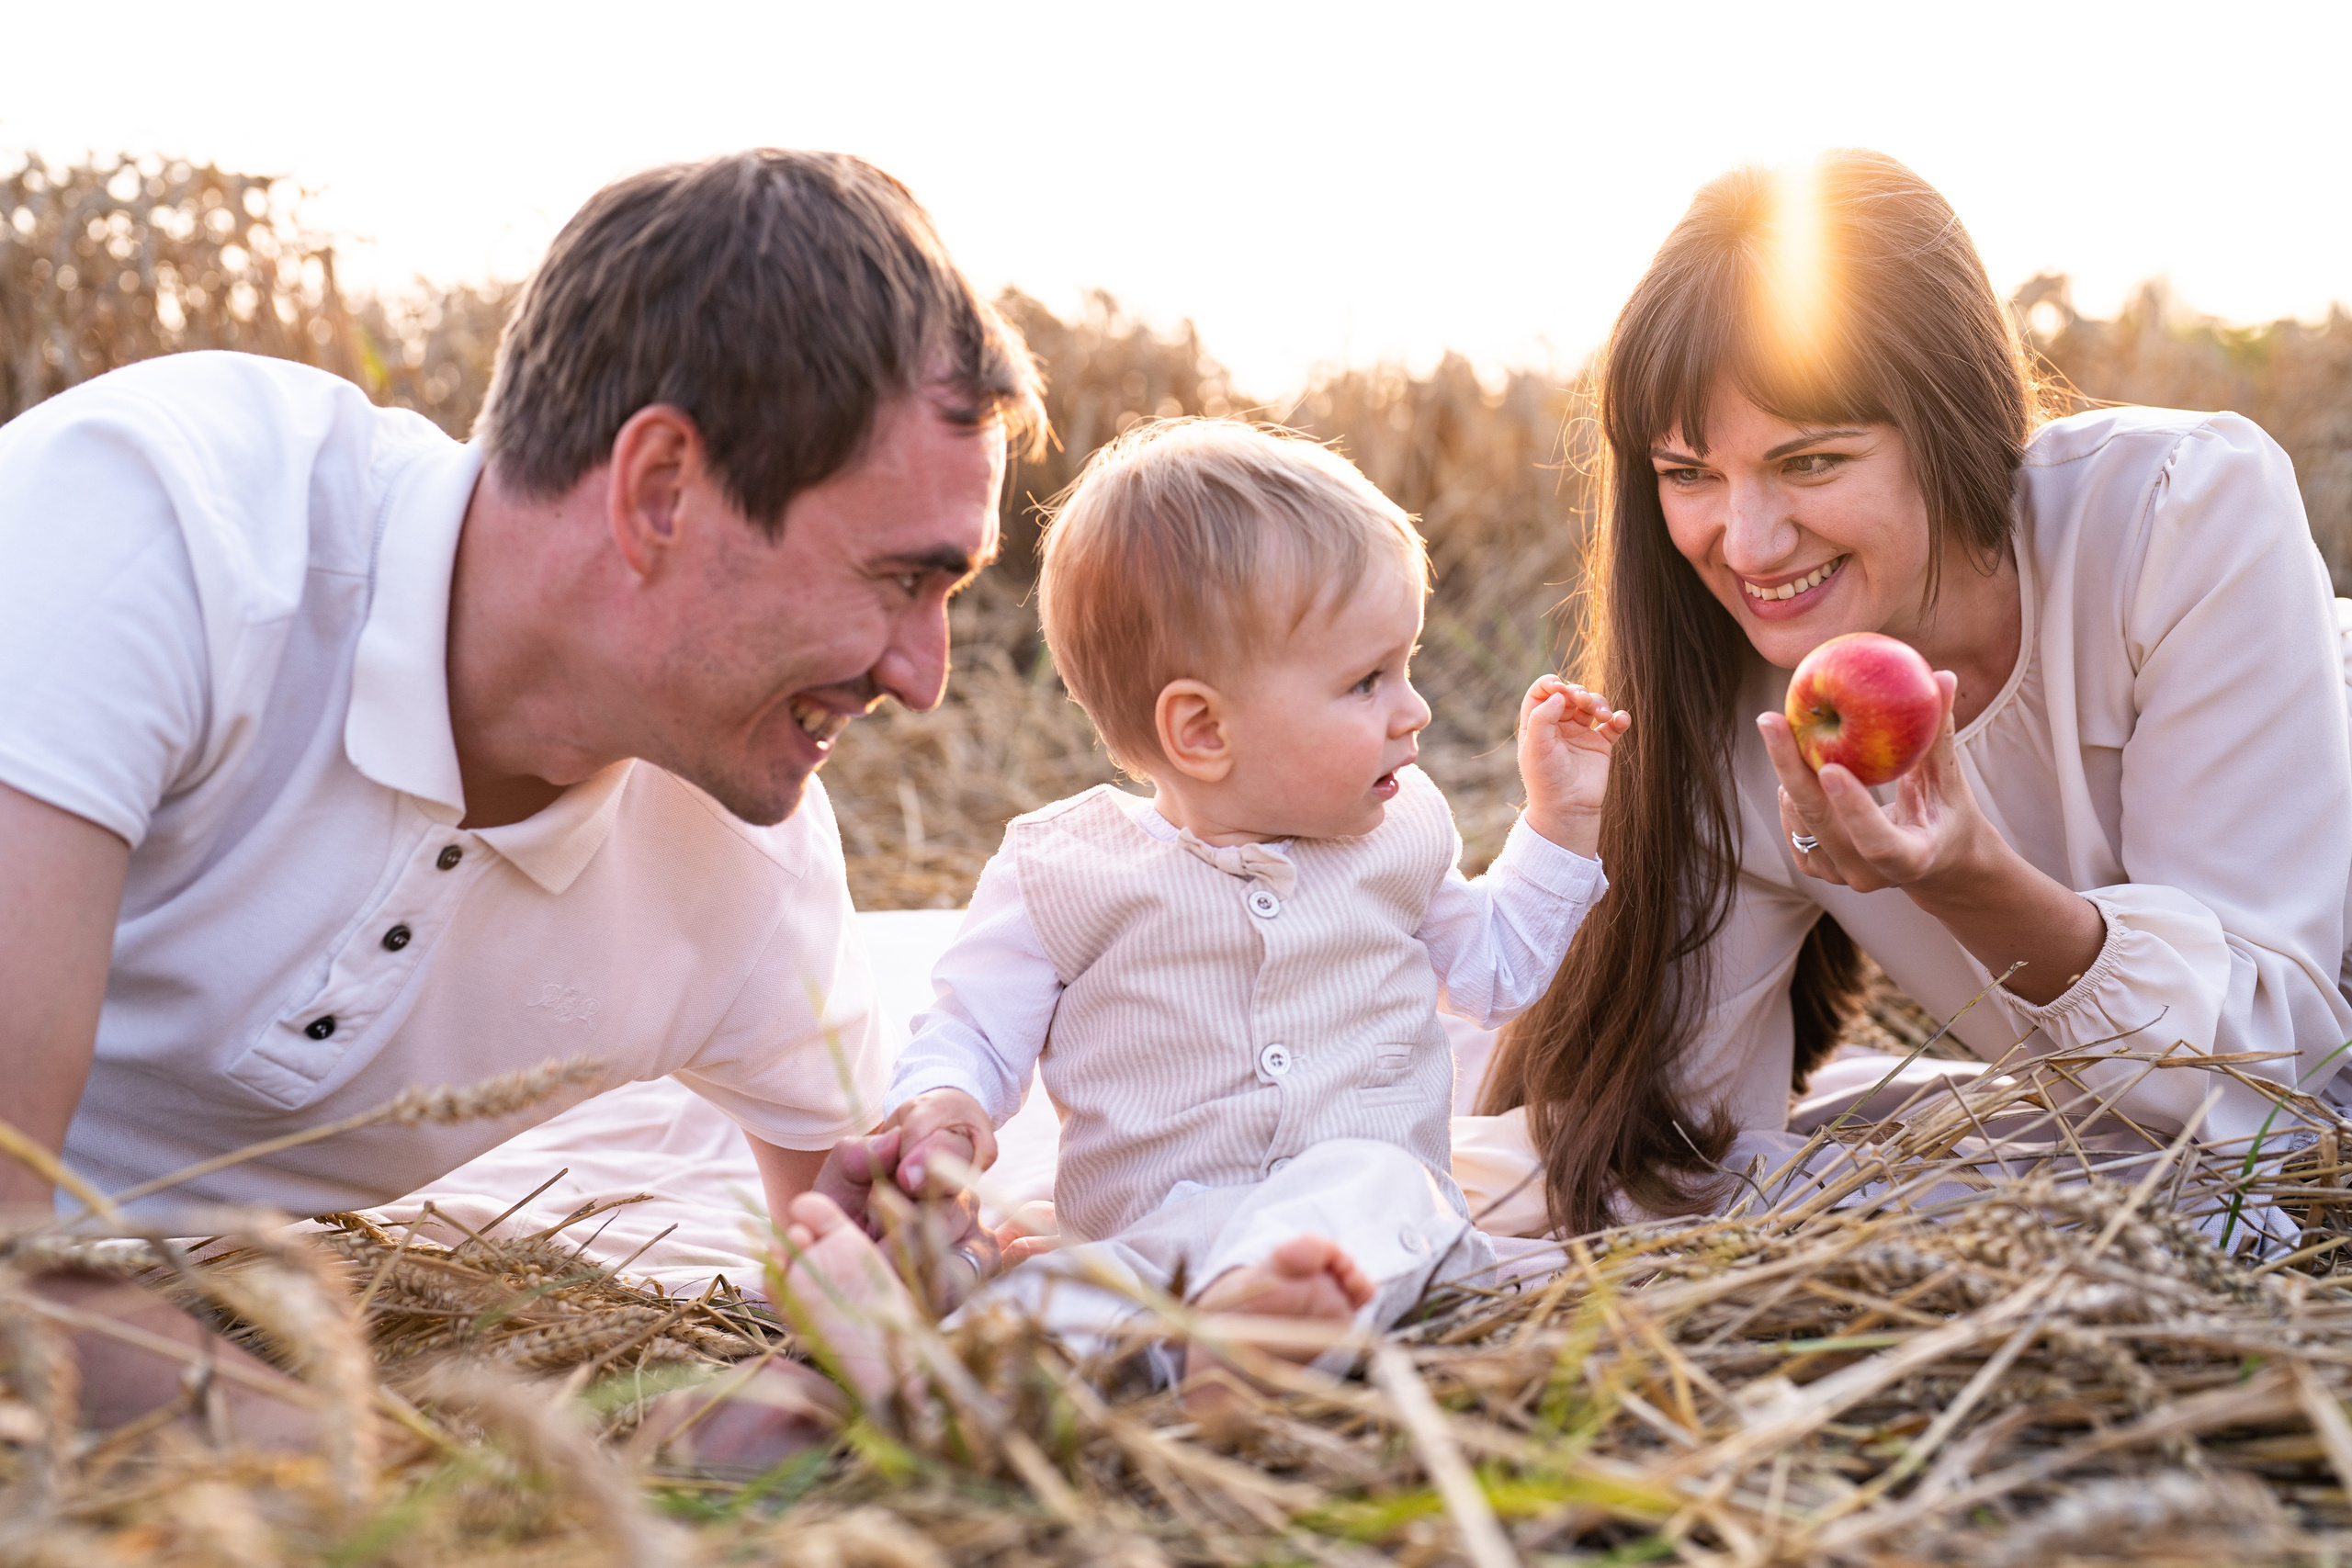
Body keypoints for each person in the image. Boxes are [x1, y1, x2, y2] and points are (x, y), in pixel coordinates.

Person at [0, 150, 1042, 1425]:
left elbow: (843, 1271)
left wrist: (867, 1322)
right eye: (900, 578)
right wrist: (473, 1501)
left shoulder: (748, 865)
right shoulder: (161, 525)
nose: (926, 675)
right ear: (660, 491)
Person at [1474, 150, 2352, 1237]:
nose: (1743, 544)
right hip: (2136, 1138)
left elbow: (2276, 1090)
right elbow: (1681, 1153)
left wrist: (1975, 885)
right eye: (1687, 474)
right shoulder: (1728, 708)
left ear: (1950, 417)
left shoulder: (2176, 515)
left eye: (1809, 463)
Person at [772, 419, 1626, 1399]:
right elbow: (971, 1030)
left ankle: (1256, 1334)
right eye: (1365, 681)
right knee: (1053, 1288)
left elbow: (1495, 972)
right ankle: (906, 1371)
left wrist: (1561, 821)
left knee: (1376, 1181)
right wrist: (944, 1105)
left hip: (1365, 1244)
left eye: (1406, 665)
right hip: (1149, 1238)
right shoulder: (1064, 870)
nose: (1414, 709)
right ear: (1201, 729)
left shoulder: (1404, 832)